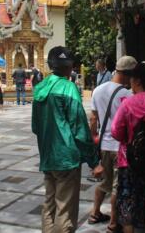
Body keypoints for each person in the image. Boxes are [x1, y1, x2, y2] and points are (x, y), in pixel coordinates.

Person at [32, 46, 101, 233]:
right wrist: (94, 162)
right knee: (65, 211)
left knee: (49, 204)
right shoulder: (69, 88)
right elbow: (80, 129)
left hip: (48, 157)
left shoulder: (40, 88)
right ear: (70, 67)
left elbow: (35, 127)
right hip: (66, 159)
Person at [111, 62, 145, 233]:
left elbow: (115, 131)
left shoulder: (127, 104)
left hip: (129, 161)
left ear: (137, 81)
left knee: (128, 204)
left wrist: (128, 139)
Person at [89, 55, 137, 232]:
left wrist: (93, 140)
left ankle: (95, 213)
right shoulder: (127, 94)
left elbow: (93, 119)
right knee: (117, 185)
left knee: (104, 182)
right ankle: (114, 223)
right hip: (119, 147)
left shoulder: (98, 90)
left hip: (103, 145)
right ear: (128, 74)